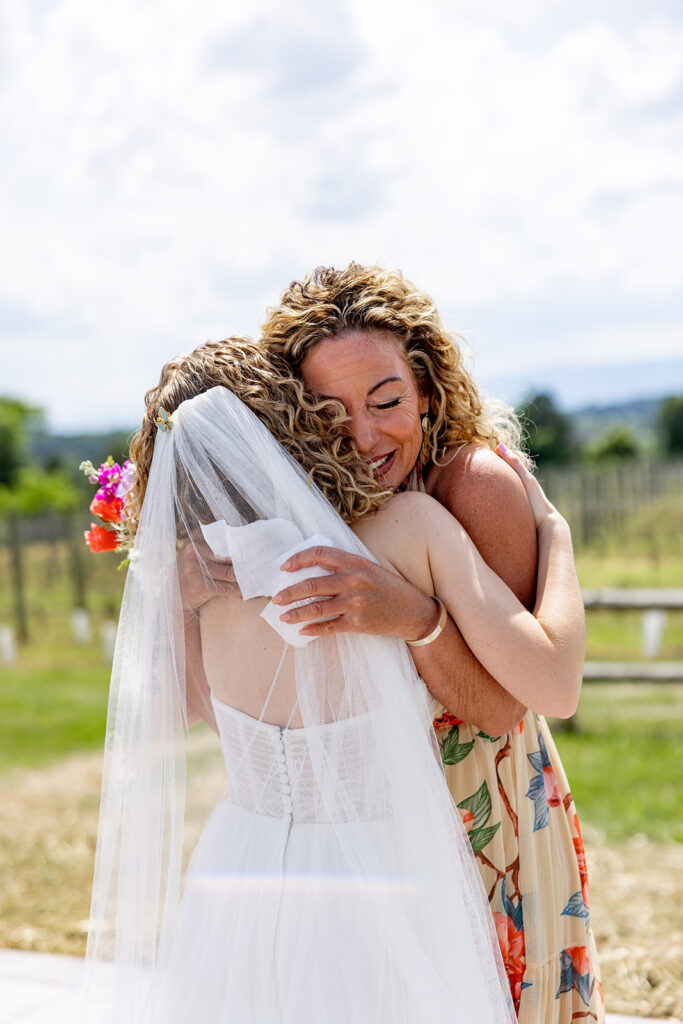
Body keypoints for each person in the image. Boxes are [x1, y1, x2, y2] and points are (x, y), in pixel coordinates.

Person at [80, 334, 593, 1024]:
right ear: (297, 423)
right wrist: (553, 534)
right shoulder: (406, 531)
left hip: (241, 867)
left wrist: (174, 598)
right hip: (387, 869)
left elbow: (172, 714)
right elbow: (552, 689)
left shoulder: (199, 582)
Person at [257, 263, 605, 1023]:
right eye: (327, 411)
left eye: (386, 401)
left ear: (424, 389)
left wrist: (415, 615)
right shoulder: (315, 495)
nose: (364, 434)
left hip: (482, 820)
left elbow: (505, 708)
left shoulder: (468, 485)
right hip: (379, 826)